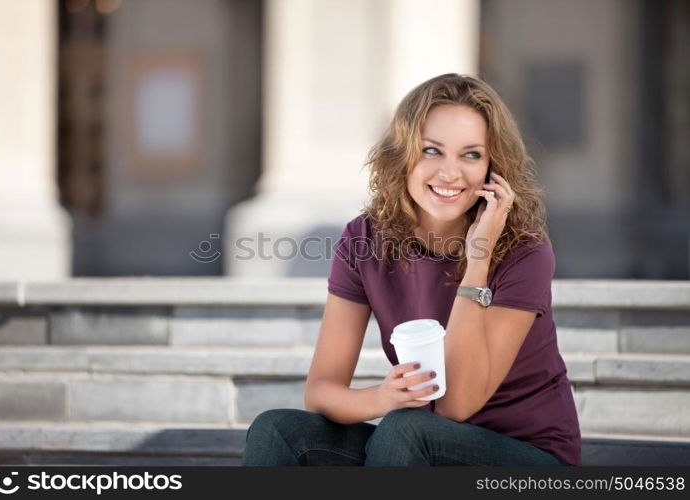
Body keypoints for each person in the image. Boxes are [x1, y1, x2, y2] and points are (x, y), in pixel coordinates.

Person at [242, 73, 581, 466]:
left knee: (405, 429)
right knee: (278, 431)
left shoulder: (524, 250)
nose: (450, 173)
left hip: (525, 455)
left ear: (493, 168)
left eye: (471, 155)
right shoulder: (364, 239)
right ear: (403, 155)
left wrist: (479, 258)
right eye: (432, 151)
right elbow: (321, 390)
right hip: (413, 448)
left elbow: (455, 406)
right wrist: (381, 398)